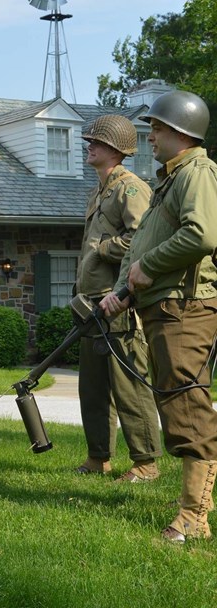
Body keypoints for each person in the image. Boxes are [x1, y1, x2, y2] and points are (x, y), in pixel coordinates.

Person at [100, 90, 217, 542]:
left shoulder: (198, 173)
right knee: (177, 403)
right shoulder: (171, 179)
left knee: (188, 406)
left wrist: (145, 269)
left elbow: (202, 235)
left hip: (185, 307)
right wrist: (122, 292)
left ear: (182, 132)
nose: (151, 137)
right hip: (164, 305)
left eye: (158, 128)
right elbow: (144, 250)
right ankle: (195, 506)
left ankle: (194, 515)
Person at [75, 115, 162, 481]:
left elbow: (144, 240)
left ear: (115, 149)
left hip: (118, 303)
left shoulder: (131, 188)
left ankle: (146, 463)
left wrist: (106, 248)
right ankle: (99, 457)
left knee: (129, 385)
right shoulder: (100, 189)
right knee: (92, 387)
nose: (88, 146)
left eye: (95, 141)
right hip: (91, 304)